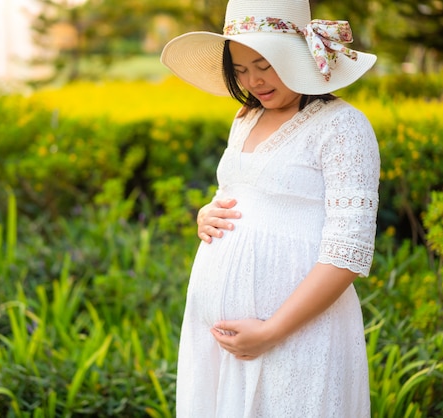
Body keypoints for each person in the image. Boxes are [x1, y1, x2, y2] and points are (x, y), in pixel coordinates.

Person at [160, 0, 380, 416]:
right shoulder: (244, 118)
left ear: (298, 55)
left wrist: (272, 331)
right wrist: (206, 215)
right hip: (218, 344)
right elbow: (244, 194)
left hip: (298, 333)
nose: (253, 80)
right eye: (241, 69)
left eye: (263, 64)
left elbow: (348, 251)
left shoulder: (343, 126)